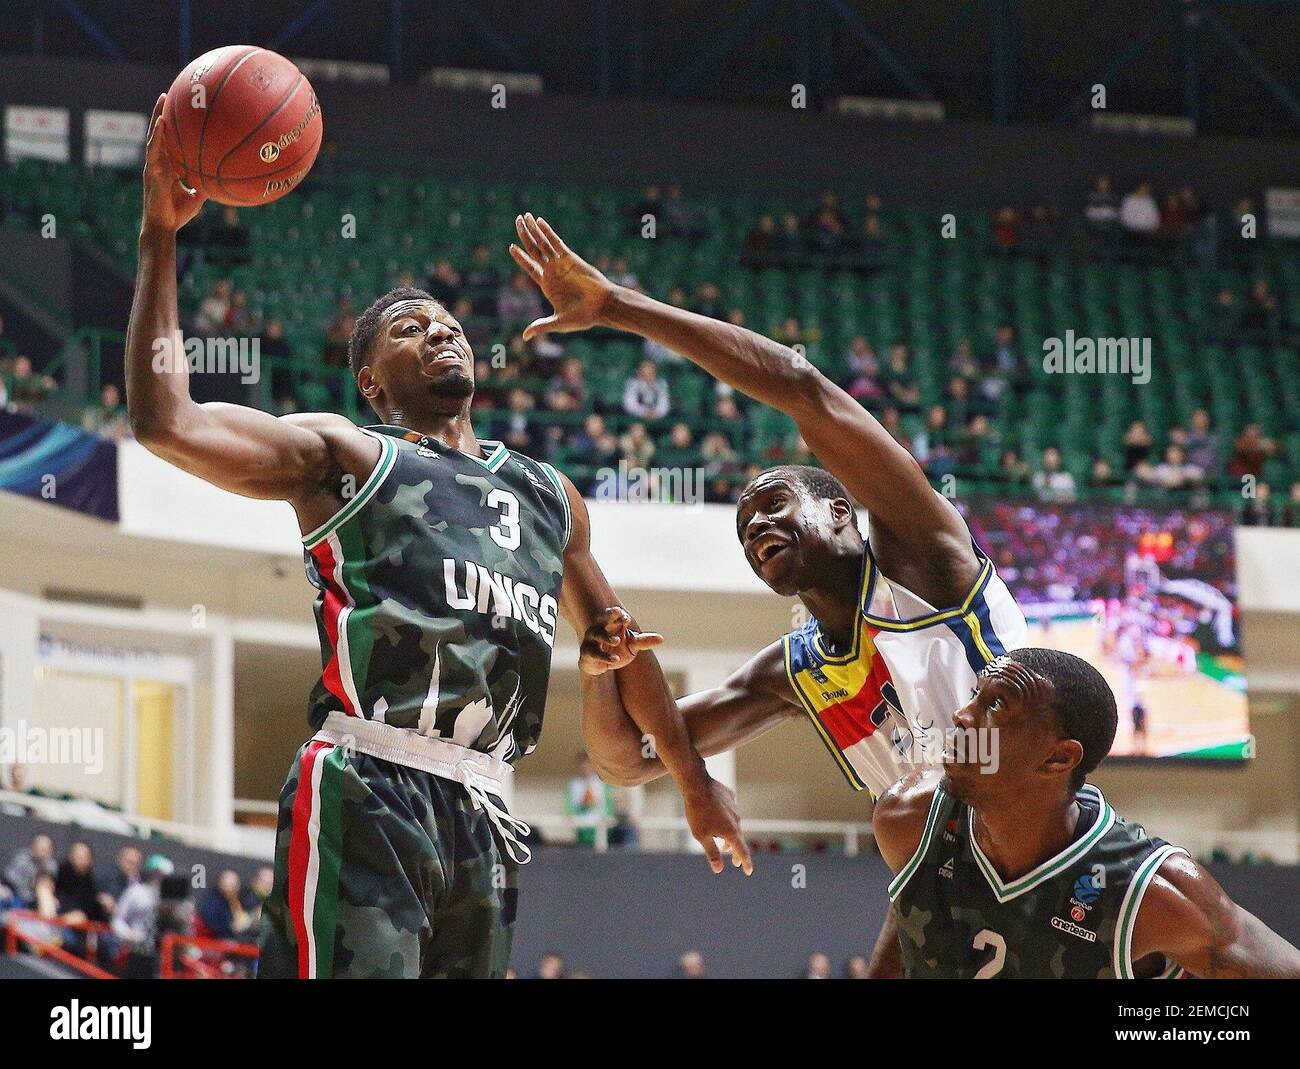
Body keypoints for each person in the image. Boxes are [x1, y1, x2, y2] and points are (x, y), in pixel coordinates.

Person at [124, 98, 746, 979]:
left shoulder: (547, 493)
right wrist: (159, 234)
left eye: (449, 322)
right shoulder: (348, 454)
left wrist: (692, 778)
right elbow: (167, 421)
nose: (443, 329)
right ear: (372, 378)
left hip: (487, 810)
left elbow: (620, 641)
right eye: (411, 327)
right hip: (370, 784)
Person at [508, 213, 1027, 978]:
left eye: (777, 505)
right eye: (746, 527)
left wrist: (618, 307)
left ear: (843, 513)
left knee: (911, 810)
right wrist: (598, 674)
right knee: (910, 823)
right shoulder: (798, 671)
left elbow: (799, 386)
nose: (757, 528)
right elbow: (627, 761)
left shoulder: (922, 556)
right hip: (945, 875)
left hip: (1037, 826)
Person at [873, 649, 1300, 978]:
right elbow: (910, 920)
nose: (962, 716)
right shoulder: (908, 818)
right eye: (974, 696)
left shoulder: (1147, 890)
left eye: (997, 705)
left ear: (1058, 759)